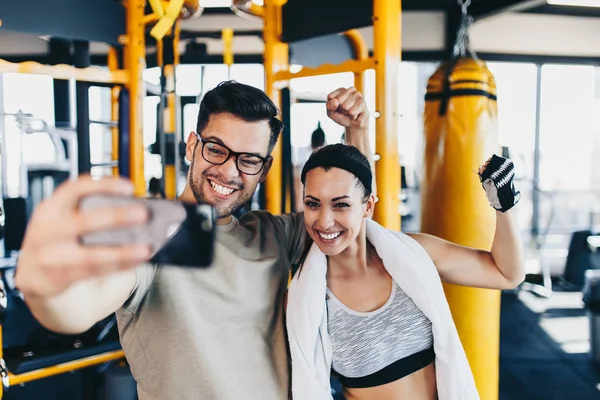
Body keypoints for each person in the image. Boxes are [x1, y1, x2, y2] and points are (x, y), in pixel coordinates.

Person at [14, 82, 372, 400]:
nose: (229, 171)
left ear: (263, 171)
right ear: (191, 146)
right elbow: (79, 307)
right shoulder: (151, 231)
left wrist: (359, 133)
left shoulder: (275, 234)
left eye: (248, 161)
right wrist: (47, 285)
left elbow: (356, 227)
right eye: (216, 149)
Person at [286, 144, 526, 400]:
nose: (324, 221)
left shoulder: (414, 254)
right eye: (313, 204)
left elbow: (506, 273)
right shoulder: (305, 299)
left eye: (340, 205)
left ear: (368, 207)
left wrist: (505, 204)